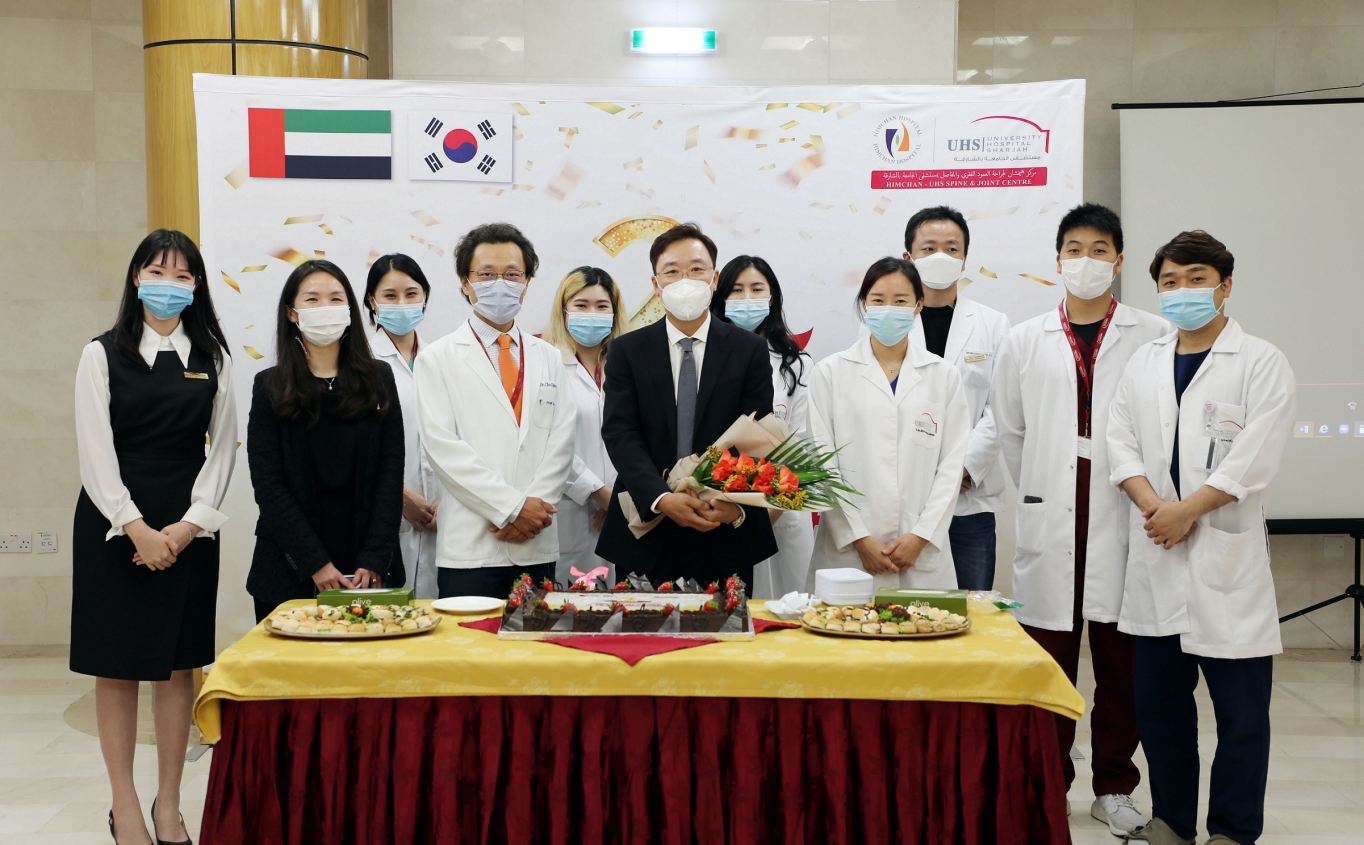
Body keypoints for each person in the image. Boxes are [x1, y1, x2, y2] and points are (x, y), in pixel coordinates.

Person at [1108, 232, 1295, 845]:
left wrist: (1187, 511)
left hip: (1225, 563)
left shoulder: (1260, 361)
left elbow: (1255, 456)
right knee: (1160, 709)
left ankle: (1233, 831)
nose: (1182, 291)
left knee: (1242, 716)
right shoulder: (1144, 361)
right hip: (1158, 555)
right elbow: (1120, 441)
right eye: (1170, 282)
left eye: (1196, 279)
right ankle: (1171, 821)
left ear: (1225, 286)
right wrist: (1154, 506)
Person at [992, 203, 1169, 834]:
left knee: (1123, 667)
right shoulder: (1024, 339)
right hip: (1053, 515)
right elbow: (1011, 431)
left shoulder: (1152, 334)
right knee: (1049, 662)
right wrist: (1047, 488)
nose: (1086, 261)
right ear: (1057, 260)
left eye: (1099, 250)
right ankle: (1049, 780)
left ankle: (1115, 784)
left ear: (1118, 262)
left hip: (1125, 511)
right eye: (1075, 249)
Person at [72, 229, 236, 845]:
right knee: (115, 669)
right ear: (136, 278)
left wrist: (190, 526)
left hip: (187, 525)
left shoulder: (213, 357)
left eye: (182, 275)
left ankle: (170, 805)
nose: (169, 285)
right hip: (113, 525)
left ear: (197, 286)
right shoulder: (100, 354)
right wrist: (135, 527)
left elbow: (224, 450)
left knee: (177, 667)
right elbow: (95, 452)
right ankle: (126, 808)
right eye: (157, 272)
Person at [596, 223, 777, 587]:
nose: (685, 280)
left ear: (715, 278)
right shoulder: (627, 350)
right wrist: (661, 497)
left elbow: (756, 434)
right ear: (656, 284)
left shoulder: (749, 350)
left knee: (726, 623)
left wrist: (726, 500)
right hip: (646, 526)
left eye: (696, 269)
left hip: (722, 527)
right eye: (672, 272)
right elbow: (620, 432)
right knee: (639, 623)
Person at [415, 223, 576, 598]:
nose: (500, 284)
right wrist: (513, 508)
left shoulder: (548, 356)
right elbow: (443, 450)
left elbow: (562, 441)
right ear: (464, 282)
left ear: (527, 283)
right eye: (486, 274)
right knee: (470, 638)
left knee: (538, 637)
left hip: (535, 541)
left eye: (512, 274)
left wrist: (532, 513)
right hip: (472, 548)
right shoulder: (437, 358)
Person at [246, 260, 405, 622]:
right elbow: (269, 485)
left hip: (369, 569)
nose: (325, 308)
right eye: (312, 299)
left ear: (349, 310)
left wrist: (375, 556)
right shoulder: (270, 386)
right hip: (290, 568)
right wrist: (314, 562)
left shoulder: (379, 378)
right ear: (292, 312)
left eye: (336, 299)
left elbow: (390, 473)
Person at [805, 257, 970, 590]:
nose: (888, 309)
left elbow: (951, 467)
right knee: (843, 622)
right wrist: (858, 538)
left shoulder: (943, 376)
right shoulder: (830, 373)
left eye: (901, 301)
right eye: (878, 300)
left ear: (919, 305)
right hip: (848, 553)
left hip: (920, 551)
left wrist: (921, 535)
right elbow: (822, 464)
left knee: (924, 623)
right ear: (864, 305)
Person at [902, 206, 1011, 590]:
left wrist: (960, 470)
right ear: (908, 257)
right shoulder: (887, 322)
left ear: (965, 259)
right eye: (929, 248)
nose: (940, 257)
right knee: (904, 606)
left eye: (951, 249)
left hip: (969, 498)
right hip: (905, 493)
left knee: (970, 606)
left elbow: (1002, 408)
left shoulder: (993, 324)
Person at [711, 255, 814, 598]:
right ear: (721, 298)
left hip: (782, 511)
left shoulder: (797, 365)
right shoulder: (704, 358)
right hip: (719, 510)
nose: (747, 298)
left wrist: (766, 514)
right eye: (736, 290)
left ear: (772, 298)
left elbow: (803, 446)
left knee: (785, 609)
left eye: (757, 289)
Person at [542, 266, 627, 586]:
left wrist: (621, 497)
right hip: (571, 510)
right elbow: (545, 441)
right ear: (563, 312)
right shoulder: (546, 365)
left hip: (627, 509)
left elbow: (642, 436)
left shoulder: (628, 365)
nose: (592, 314)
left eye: (602, 306)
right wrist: (598, 492)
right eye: (581, 305)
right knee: (572, 604)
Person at [364, 253, 440, 599]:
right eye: (390, 296)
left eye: (411, 294)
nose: (402, 304)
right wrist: (400, 496)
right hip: (384, 514)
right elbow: (355, 448)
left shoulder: (442, 359)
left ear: (424, 297)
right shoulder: (361, 363)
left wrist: (447, 501)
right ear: (372, 301)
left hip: (443, 515)